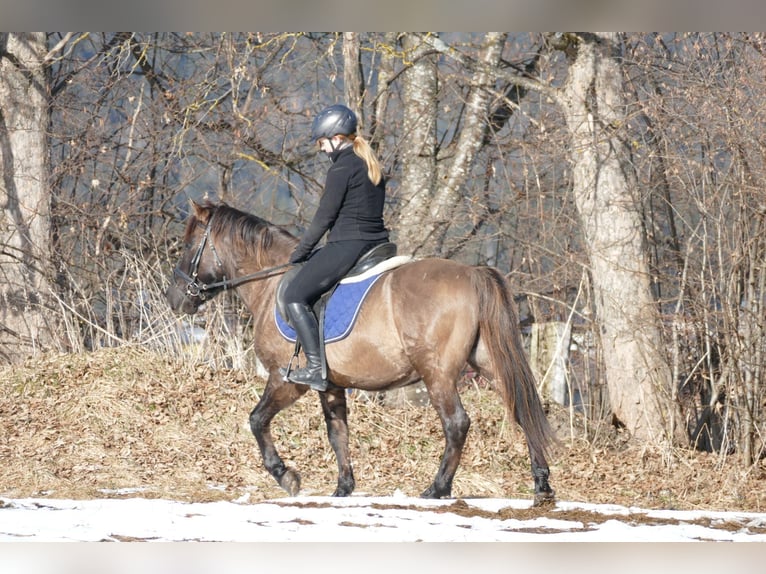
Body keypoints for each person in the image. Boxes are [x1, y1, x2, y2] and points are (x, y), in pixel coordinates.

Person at [283, 104, 390, 391]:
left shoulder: (342, 168)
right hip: (376, 243)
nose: (322, 149)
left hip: (347, 245)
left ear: (337, 137)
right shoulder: (368, 162)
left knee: (294, 295)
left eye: (322, 142)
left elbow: (324, 218)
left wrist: (301, 252)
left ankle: (316, 368)